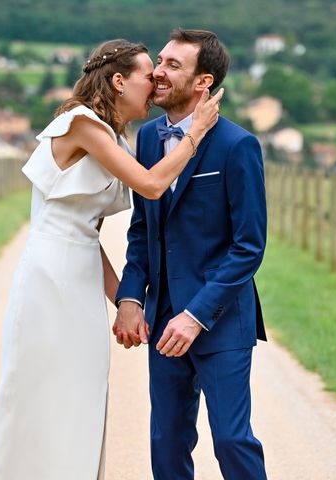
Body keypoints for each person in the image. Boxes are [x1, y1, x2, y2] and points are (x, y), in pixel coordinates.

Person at [0, 39, 223, 480]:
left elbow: (88, 236)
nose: (156, 84)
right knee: (38, 398)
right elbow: (151, 186)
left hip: (81, 278)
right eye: (148, 75)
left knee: (82, 397)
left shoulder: (111, 136)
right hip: (49, 279)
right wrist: (197, 132)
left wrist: (128, 303)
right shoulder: (81, 124)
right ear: (118, 81)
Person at [113, 29, 268, 479]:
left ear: (203, 82)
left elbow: (249, 247)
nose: (158, 72)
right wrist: (130, 297)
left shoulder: (238, 146)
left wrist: (196, 315)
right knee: (167, 444)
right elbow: (143, 231)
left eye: (172, 65)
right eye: (159, 61)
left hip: (219, 320)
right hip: (162, 319)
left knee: (232, 441)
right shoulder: (146, 139)